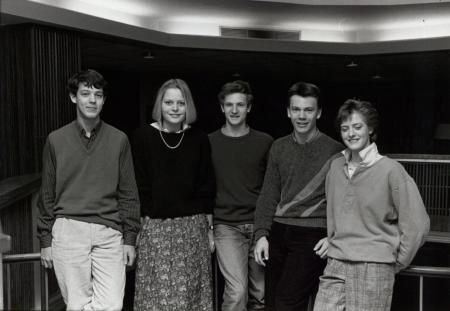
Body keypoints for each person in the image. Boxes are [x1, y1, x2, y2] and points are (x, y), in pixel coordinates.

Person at [37, 69, 140, 310]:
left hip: (109, 231)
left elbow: (128, 193)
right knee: (77, 305)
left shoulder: (119, 140)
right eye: (85, 93)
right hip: (68, 229)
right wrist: (45, 240)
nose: (92, 100)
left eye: (98, 95)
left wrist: (130, 239)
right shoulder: (56, 139)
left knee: (113, 305)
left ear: (104, 100)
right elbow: (47, 194)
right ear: (74, 97)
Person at [313, 99, 430, 311]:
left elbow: (417, 225)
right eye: (345, 128)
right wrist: (334, 238)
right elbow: (339, 214)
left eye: (357, 127)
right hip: (336, 263)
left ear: (370, 129)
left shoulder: (391, 170)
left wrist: (393, 261)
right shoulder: (335, 166)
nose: (351, 133)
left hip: (374, 268)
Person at [254, 82, 344, 311]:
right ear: (288, 111)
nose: (301, 116)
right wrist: (262, 234)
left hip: (312, 236)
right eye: (296, 109)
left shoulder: (335, 152)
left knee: (287, 302)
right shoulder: (278, 147)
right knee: (272, 302)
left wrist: (335, 236)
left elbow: (344, 202)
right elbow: (269, 194)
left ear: (319, 112)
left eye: (308, 110)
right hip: (278, 231)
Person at [132, 78, 215, 311]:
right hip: (156, 228)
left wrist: (209, 231)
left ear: (188, 106)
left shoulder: (199, 138)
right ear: (160, 105)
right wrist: (140, 225)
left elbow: (206, 184)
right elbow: (140, 185)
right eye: (169, 102)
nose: (175, 108)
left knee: (190, 298)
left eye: (181, 102)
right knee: (155, 298)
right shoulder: (142, 137)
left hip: (192, 229)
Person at [209, 80, 273, 311]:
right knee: (237, 292)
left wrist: (265, 228)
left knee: (260, 294)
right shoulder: (210, 142)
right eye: (229, 105)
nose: (234, 110)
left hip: (259, 227)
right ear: (222, 108)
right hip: (226, 226)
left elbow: (271, 188)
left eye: (240, 105)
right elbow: (204, 188)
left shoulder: (265, 142)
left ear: (249, 108)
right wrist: (208, 228)